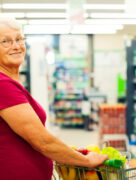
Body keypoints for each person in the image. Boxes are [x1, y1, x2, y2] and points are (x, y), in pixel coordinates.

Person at [0, 17, 108, 180]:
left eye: (19, 39)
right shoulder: (3, 85)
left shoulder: (11, 83)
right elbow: (41, 141)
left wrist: (70, 153)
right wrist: (85, 161)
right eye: (5, 42)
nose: (16, 46)